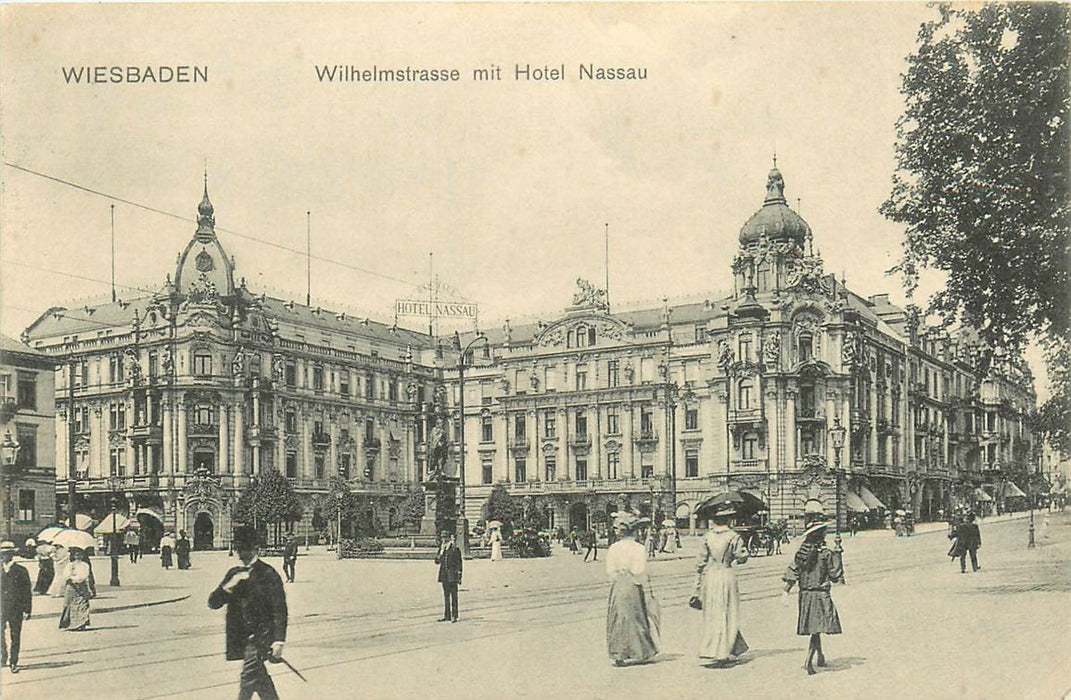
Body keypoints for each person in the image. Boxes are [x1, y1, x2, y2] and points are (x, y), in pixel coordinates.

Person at [208, 525, 288, 700]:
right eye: (238, 549)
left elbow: (279, 610)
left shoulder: (268, 574)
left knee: (248, 676)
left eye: (244, 549)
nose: (240, 553)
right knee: (260, 680)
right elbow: (213, 603)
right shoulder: (234, 573)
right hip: (240, 637)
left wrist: (279, 640)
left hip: (260, 637)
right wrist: (228, 587)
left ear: (255, 549)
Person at [782, 520, 844, 675]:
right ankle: (808, 661)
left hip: (805, 595)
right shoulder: (826, 553)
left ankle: (820, 656)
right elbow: (836, 575)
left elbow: (792, 573)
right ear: (821, 535)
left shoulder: (801, 553)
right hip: (820, 595)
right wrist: (838, 554)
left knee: (815, 627)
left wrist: (785, 592)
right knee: (816, 629)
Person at [694, 505, 749, 666]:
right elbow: (740, 557)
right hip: (726, 574)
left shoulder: (707, 536)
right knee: (728, 611)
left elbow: (701, 562)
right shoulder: (734, 536)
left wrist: (697, 584)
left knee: (713, 611)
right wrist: (745, 554)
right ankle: (723, 651)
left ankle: (713, 648)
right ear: (729, 519)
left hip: (711, 576)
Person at [605, 513, 659, 667]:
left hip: (618, 584)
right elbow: (639, 569)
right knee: (636, 617)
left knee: (618, 618)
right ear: (635, 531)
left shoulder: (614, 547)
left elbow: (610, 569)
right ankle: (640, 651)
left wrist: (617, 576)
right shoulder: (639, 548)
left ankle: (618, 653)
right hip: (633, 584)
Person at [1, 541, 33, 673]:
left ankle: (14, 662)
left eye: (7, 554)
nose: (4, 556)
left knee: (15, 636)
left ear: (12, 555)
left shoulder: (21, 570)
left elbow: (27, 591)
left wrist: (27, 609)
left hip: (16, 608)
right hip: (1, 608)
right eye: (2, 554)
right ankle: (3, 657)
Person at [58, 547, 92, 632]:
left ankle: (82, 623)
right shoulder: (70, 565)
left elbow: (85, 575)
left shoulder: (85, 565)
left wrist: (80, 580)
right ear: (73, 556)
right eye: (76, 554)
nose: (78, 556)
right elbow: (66, 575)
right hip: (72, 586)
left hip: (82, 585)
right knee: (69, 604)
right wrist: (72, 578)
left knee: (82, 604)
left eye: (80, 554)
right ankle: (70, 623)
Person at [434, 532, 462, 623]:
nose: (444, 539)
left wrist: (459, 576)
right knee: (446, 596)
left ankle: (454, 615)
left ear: (449, 538)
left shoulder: (454, 548)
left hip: (452, 575)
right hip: (444, 575)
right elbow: (437, 562)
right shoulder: (442, 549)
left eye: (445, 537)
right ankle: (447, 616)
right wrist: (440, 553)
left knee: (454, 596)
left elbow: (459, 563)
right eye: (442, 537)